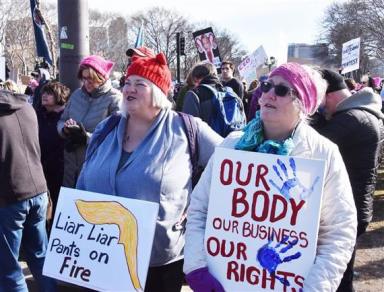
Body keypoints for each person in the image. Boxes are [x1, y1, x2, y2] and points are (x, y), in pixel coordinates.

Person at [183, 63, 357, 291]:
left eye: (282, 90)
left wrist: (315, 288)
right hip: (225, 280)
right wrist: (196, 267)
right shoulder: (232, 145)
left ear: (303, 103)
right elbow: (199, 209)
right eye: (266, 86)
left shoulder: (323, 154)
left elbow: (338, 233)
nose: (269, 94)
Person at [76, 52, 223, 292]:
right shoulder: (107, 127)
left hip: (158, 262)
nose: (128, 89)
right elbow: (83, 179)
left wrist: (200, 208)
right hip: (100, 254)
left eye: (139, 84)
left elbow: (232, 167)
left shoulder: (186, 129)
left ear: (157, 91)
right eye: (127, 82)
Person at [313, 69, 384, 292]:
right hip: (357, 206)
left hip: (345, 210)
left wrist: (309, 115)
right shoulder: (365, 113)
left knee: (338, 279)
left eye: (318, 99)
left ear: (328, 95)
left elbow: (312, 147)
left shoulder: (351, 119)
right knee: (343, 272)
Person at [0, 90, 57, 291]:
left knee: (8, 269)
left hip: (10, 195)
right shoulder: (27, 107)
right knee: (40, 255)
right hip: (38, 189)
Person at [57, 55, 121, 188]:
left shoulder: (114, 99)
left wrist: (86, 137)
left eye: (91, 79)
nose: (86, 83)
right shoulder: (77, 95)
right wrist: (65, 129)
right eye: (84, 78)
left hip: (96, 164)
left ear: (102, 77)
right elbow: (62, 120)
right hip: (70, 162)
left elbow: (117, 135)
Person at [37, 81, 70, 219]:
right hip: (40, 166)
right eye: (44, 92)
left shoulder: (66, 117)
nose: (45, 96)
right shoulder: (38, 113)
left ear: (59, 96)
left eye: (50, 93)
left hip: (60, 169)